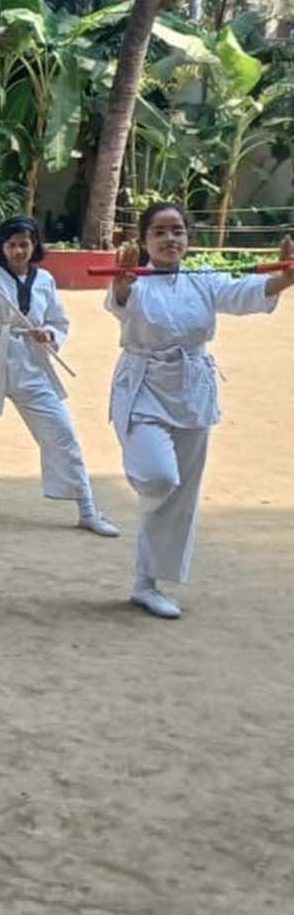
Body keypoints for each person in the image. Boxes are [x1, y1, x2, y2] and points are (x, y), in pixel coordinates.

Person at [107, 204, 294, 619]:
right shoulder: (133, 280)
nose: (169, 239)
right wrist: (121, 285)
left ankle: (147, 583)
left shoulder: (203, 279)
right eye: (159, 232)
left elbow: (244, 293)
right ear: (144, 240)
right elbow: (120, 302)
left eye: (177, 231)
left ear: (188, 239)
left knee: (180, 495)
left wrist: (285, 278)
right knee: (159, 477)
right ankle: (149, 490)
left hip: (192, 390)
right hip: (143, 388)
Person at [0, 216, 119, 538]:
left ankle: (86, 508)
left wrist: (49, 334)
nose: (18, 251)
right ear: (1, 247)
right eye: (11, 245)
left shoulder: (45, 280)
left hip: (31, 362)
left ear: (34, 245)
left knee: (62, 433)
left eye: (24, 244)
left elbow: (58, 321)